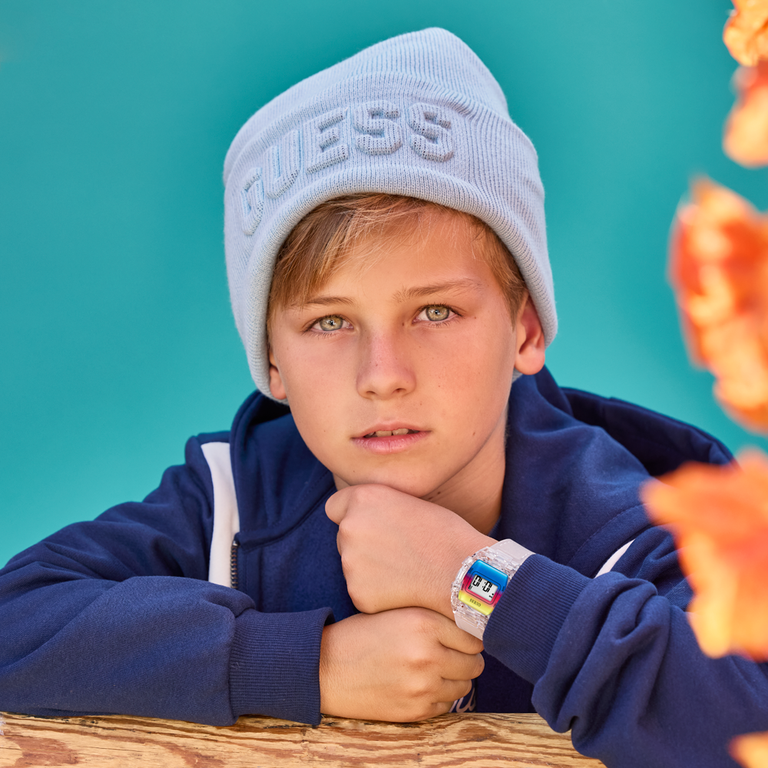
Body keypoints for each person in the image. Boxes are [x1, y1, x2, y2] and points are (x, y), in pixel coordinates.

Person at [0, 27, 765, 768]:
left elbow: (748, 720)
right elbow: (15, 621)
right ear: (271, 362)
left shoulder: (634, 523)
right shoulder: (236, 503)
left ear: (527, 331)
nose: (382, 373)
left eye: (435, 312)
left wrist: (476, 580)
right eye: (329, 322)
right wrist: (306, 663)